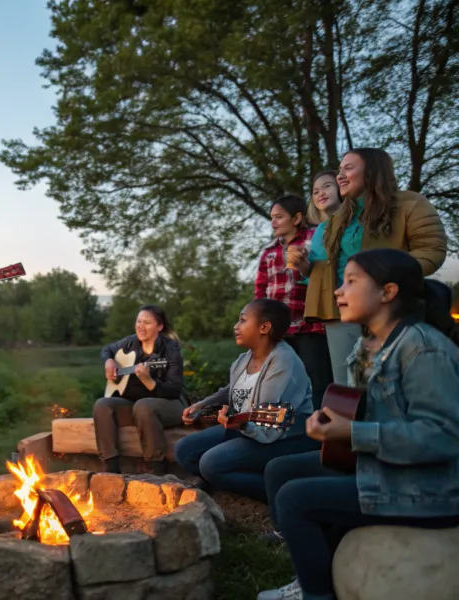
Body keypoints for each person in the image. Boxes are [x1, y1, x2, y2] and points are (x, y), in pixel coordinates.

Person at [258, 249, 459, 600]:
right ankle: (311, 568)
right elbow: (366, 408)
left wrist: (351, 433)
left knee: (294, 499)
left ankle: (316, 594)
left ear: (388, 292)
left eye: (351, 281)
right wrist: (334, 423)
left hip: (426, 488)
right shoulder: (369, 345)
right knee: (279, 470)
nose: (338, 290)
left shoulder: (423, 350)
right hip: (383, 463)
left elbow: (442, 437)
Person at [290, 148, 447, 385]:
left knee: (394, 382)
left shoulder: (410, 203)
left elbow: (432, 249)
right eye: (339, 170)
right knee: (348, 387)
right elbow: (324, 269)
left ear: (373, 170)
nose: (340, 175)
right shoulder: (337, 219)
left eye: (349, 168)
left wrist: (386, 281)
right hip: (341, 311)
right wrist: (304, 266)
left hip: (389, 308)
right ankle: (350, 424)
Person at [173, 299, 319, 502]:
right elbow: (231, 390)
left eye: (242, 320)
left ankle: (281, 492)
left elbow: (268, 424)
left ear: (264, 327)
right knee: (184, 450)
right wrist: (202, 404)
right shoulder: (244, 359)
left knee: (210, 464)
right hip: (245, 427)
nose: (235, 326)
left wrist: (237, 422)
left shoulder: (283, 362)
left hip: (283, 435)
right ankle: (227, 478)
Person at [255, 195, 331, 408]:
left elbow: (324, 275)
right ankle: (288, 428)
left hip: (310, 325)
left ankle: (319, 432)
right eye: (272, 218)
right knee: (284, 381)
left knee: (317, 380)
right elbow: (261, 290)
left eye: (279, 217)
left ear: (297, 218)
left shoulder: (315, 238)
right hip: (281, 329)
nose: (274, 222)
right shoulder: (269, 251)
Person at [93, 305, 185, 475]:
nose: (141, 326)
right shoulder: (130, 342)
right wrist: (109, 361)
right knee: (102, 405)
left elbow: (173, 389)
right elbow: (107, 349)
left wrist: (149, 381)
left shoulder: (170, 349)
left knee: (144, 406)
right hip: (136, 407)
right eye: (138, 321)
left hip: (170, 404)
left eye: (147, 323)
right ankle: (111, 469)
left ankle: (157, 470)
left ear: (159, 326)